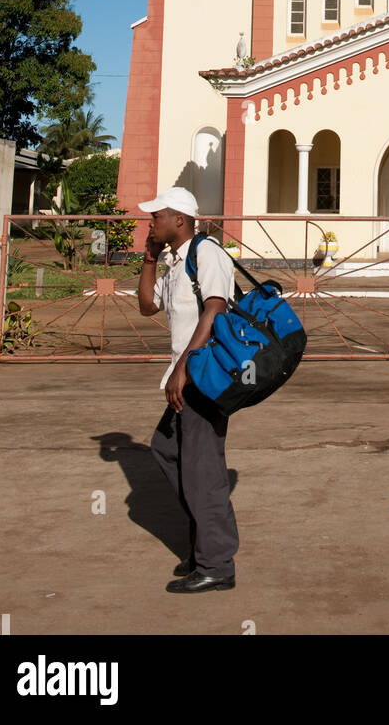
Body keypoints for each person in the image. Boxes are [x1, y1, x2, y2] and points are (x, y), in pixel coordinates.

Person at [136, 187, 239, 593]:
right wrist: (148, 256)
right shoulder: (175, 262)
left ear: (179, 220)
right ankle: (204, 547)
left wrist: (183, 368)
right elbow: (147, 306)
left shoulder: (207, 252)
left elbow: (215, 309)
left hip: (204, 378)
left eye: (156, 216)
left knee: (203, 471)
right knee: (165, 449)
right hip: (185, 378)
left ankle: (216, 564)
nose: (150, 222)